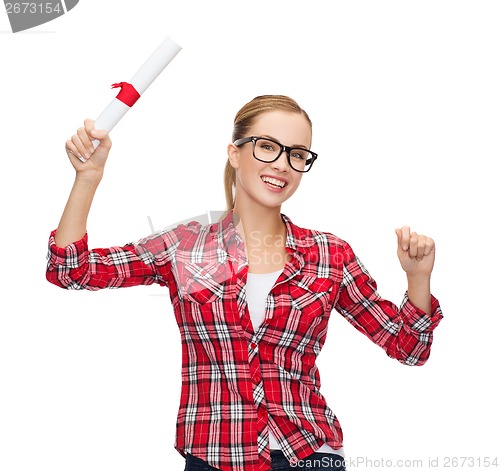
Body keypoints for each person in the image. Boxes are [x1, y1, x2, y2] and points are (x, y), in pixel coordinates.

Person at [46, 95, 443, 471]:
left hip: (310, 454)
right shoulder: (184, 245)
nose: (283, 164)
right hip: (214, 454)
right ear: (235, 152)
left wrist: (418, 278)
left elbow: (408, 347)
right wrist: (87, 178)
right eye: (267, 146)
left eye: (297, 154)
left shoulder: (330, 254)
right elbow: (71, 271)